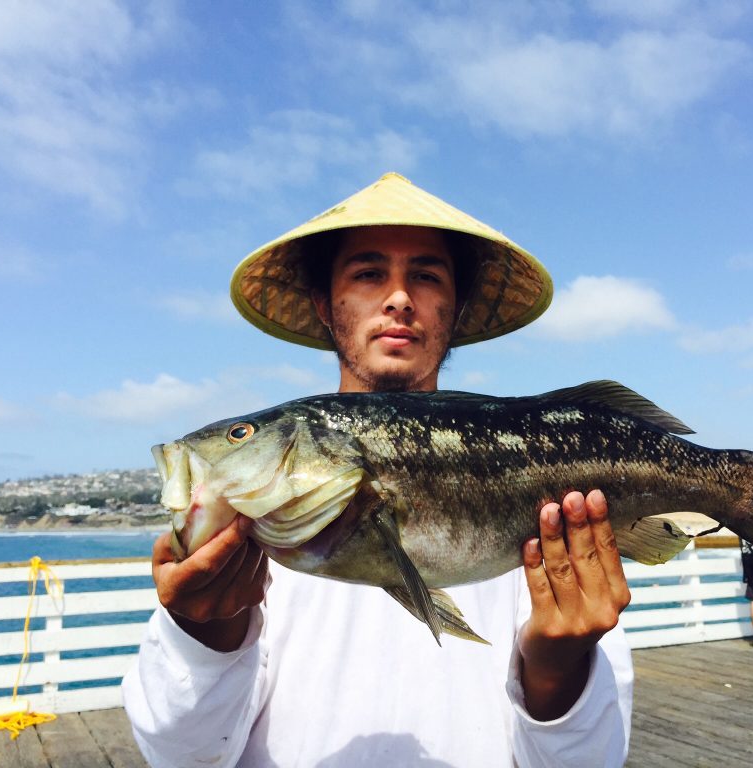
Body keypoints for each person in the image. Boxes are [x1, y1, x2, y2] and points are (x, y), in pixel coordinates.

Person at [122, 173, 635, 767]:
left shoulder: (559, 492)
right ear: (325, 304)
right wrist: (204, 633)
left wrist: (558, 668)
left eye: (425, 275)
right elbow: (179, 755)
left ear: (454, 307)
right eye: (368, 274)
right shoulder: (242, 541)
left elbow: (593, 760)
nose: (398, 298)